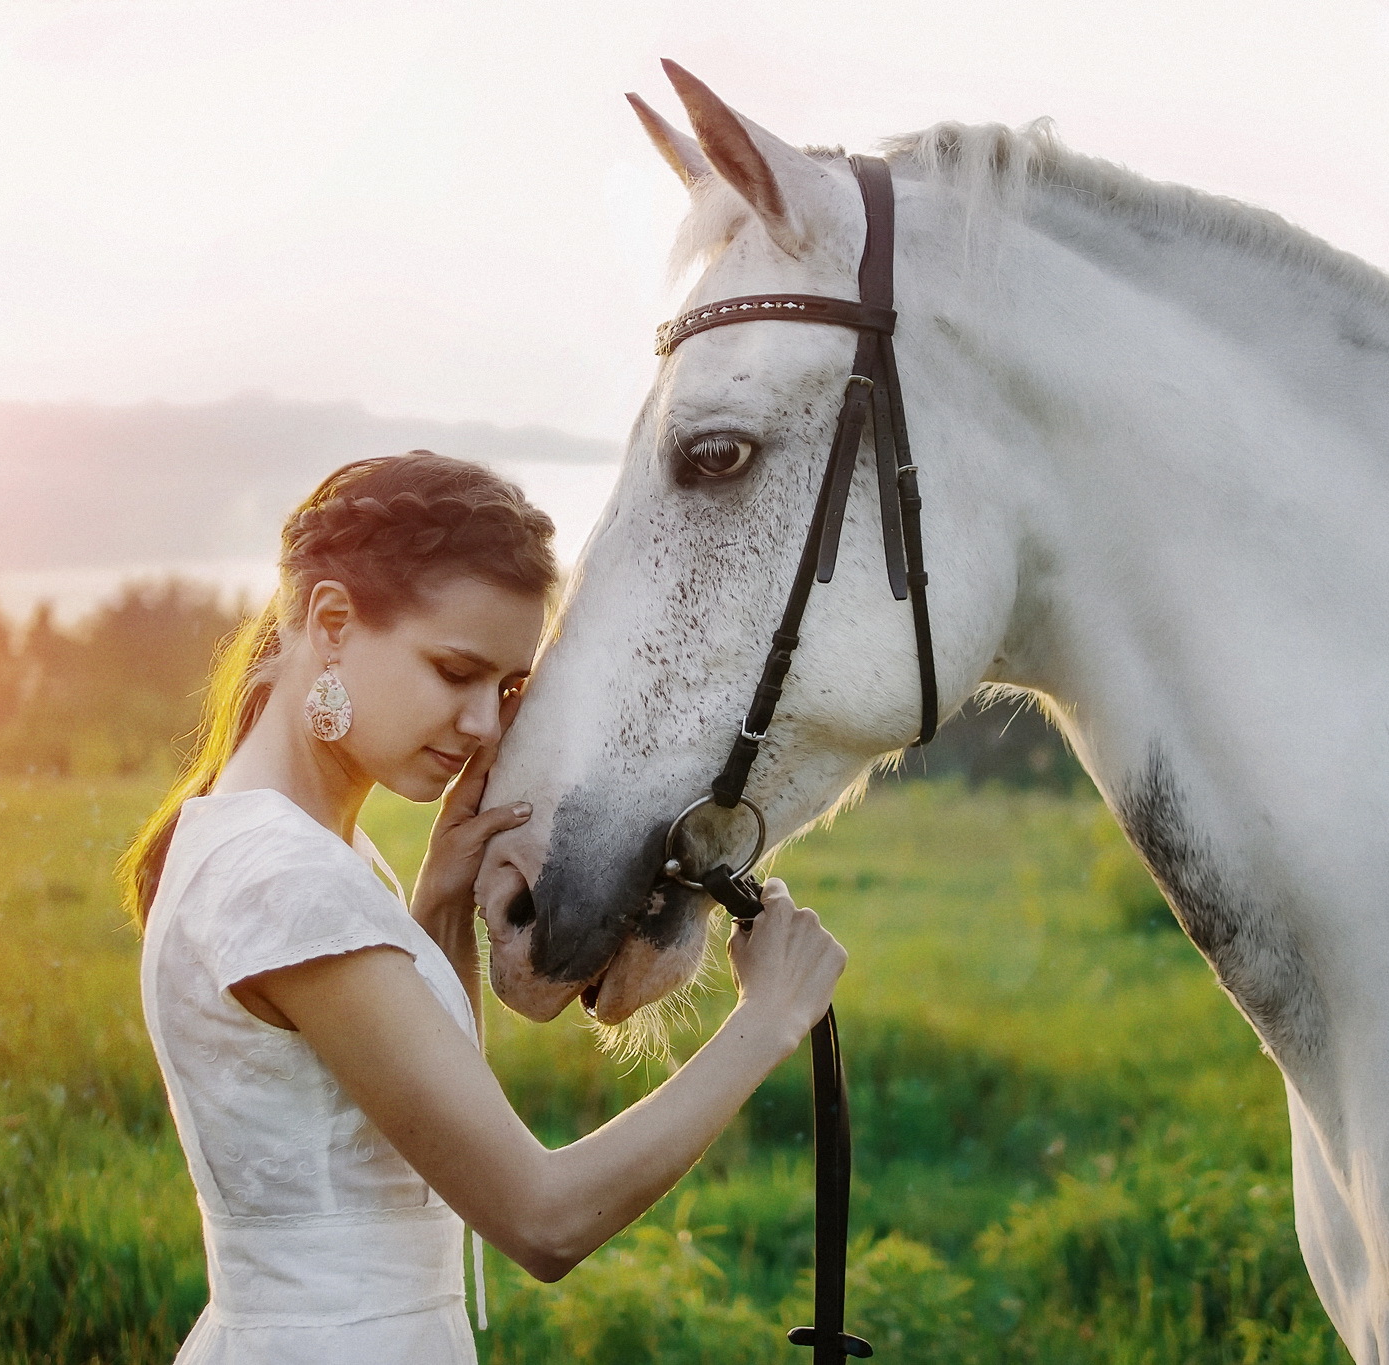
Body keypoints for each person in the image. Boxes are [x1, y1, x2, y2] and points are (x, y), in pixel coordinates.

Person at [121, 452, 846, 1364]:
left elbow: (402, 1124)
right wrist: (768, 1017)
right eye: (454, 671)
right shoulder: (284, 877)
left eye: (504, 688)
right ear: (333, 622)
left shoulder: (292, 847)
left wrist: (436, 903)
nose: (483, 727)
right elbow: (542, 1217)